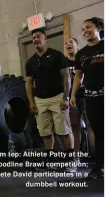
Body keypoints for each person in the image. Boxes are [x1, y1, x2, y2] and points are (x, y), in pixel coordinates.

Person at [25, 29, 75, 172]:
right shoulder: (31, 62)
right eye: (33, 38)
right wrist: (31, 102)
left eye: (38, 37)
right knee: (45, 133)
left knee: (64, 131)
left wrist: (66, 97)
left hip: (58, 98)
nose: (35, 39)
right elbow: (28, 83)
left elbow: (67, 77)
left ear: (45, 39)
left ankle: (71, 162)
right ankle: (50, 162)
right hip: (40, 100)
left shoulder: (57, 55)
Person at [70, 17, 104, 179]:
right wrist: (73, 94)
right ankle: (100, 167)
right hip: (91, 99)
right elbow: (78, 77)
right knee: (98, 132)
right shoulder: (81, 54)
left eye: (88, 27)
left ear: (98, 28)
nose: (85, 31)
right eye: (82, 29)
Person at [65, 38, 95, 163]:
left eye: (71, 42)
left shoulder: (84, 58)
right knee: (75, 128)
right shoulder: (63, 62)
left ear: (77, 45)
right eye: (66, 43)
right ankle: (76, 158)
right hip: (73, 99)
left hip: (88, 96)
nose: (68, 44)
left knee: (91, 126)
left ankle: (98, 157)